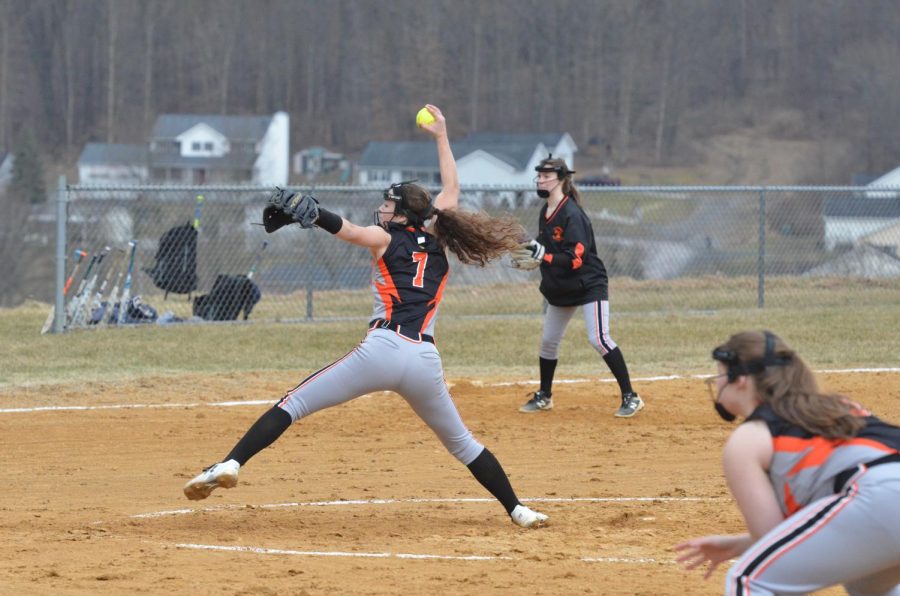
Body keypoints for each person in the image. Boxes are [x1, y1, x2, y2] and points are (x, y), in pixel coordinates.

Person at [183, 105, 549, 529]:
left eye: (389, 204)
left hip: (382, 349)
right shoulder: (436, 236)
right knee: (463, 443)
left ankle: (229, 464)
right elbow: (451, 188)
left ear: (402, 214)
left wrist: (313, 211)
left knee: (294, 403)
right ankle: (518, 510)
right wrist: (441, 135)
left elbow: (350, 230)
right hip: (424, 361)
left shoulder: (385, 237)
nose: (383, 208)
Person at [675, 330, 900, 594]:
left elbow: (772, 535)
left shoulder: (748, 438)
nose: (717, 381)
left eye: (722, 373)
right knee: (868, 586)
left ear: (742, 380)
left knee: (748, 579)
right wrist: (740, 544)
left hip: (881, 496)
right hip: (882, 499)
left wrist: (747, 549)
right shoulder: (838, 405)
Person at [511, 155, 643, 418]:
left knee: (599, 339)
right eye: (539, 175)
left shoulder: (572, 214)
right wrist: (532, 248)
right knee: (548, 342)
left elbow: (575, 258)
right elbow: (547, 245)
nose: (540, 179)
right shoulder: (545, 211)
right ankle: (545, 396)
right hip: (561, 287)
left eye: (547, 176)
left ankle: (631, 396)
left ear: (561, 179)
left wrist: (544, 256)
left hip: (588, 284)